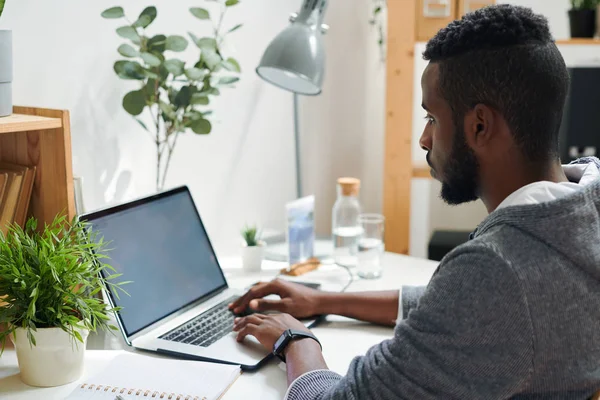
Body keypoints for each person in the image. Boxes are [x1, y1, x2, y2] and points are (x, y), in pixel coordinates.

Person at [230, 4, 600, 399]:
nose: (424, 139)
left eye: (432, 119)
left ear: (479, 125)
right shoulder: (582, 206)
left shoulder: (499, 271)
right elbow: (461, 310)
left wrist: (295, 340)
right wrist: (322, 299)